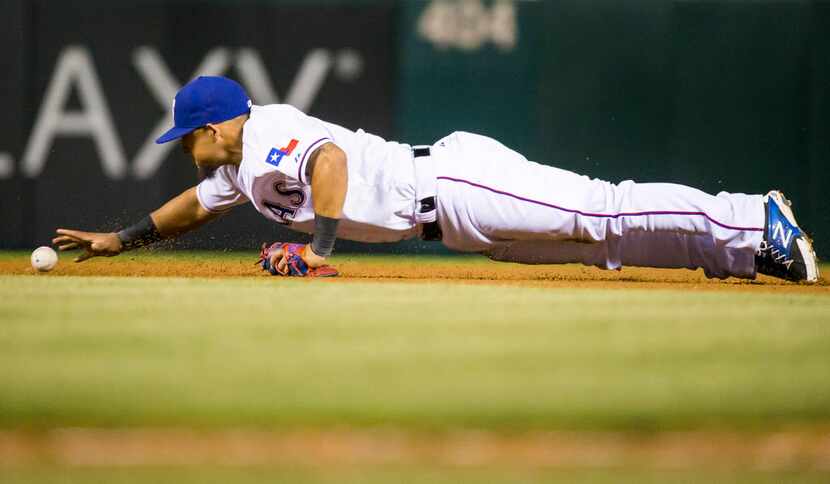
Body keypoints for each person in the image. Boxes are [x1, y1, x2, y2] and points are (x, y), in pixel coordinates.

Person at [52, 76, 820, 282]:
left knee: (601, 209)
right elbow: (195, 206)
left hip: (454, 181)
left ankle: (752, 219)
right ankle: (744, 253)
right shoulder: (238, 166)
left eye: (186, 136)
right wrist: (124, 238)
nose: (182, 149)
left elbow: (331, 163)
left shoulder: (272, 131)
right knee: (599, 247)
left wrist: (319, 245)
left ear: (213, 130)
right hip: (449, 219)